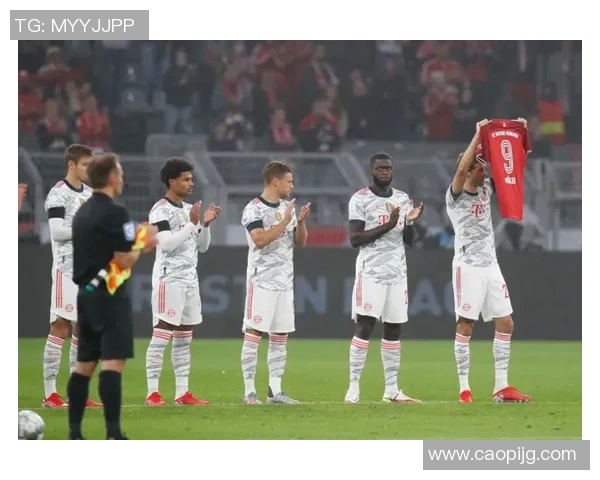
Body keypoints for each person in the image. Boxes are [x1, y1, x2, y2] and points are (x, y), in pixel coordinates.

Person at [67, 153, 158, 440]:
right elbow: (123, 258)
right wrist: (143, 242)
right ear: (112, 177)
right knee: (112, 363)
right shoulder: (116, 213)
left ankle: (75, 433)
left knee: (84, 365)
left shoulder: (82, 213)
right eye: (120, 174)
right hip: (110, 295)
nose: (122, 179)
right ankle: (113, 433)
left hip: (86, 295)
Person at [446, 119, 531, 404]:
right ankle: (464, 388)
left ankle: (501, 387)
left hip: (491, 265)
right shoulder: (455, 196)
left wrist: (518, 139)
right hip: (467, 265)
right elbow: (461, 169)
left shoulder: (487, 189)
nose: (485, 172)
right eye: (480, 168)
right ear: (468, 171)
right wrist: (477, 134)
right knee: (466, 324)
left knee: (506, 322)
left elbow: (511, 172)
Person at [344, 152, 424, 404]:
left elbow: (410, 241)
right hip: (371, 272)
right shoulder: (360, 199)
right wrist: (388, 225)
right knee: (365, 325)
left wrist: (408, 223)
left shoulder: (402, 198)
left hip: (397, 273)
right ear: (371, 171)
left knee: (394, 327)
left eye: (388, 168)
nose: (385, 172)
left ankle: (392, 389)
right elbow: (355, 239)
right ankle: (353, 388)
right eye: (380, 168)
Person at [144, 157, 222, 406]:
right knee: (162, 334)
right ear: (172, 181)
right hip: (169, 279)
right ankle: (153, 393)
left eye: (192, 179)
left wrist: (205, 225)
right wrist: (191, 222)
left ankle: (182, 393)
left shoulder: (190, 208)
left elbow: (203, 247)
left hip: (190, 280)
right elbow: (166, 244)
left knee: (184, 338)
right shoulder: (160, 210)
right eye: (186, 179)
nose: (191, 183)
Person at [240, 161, 311, 404]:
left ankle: (275, 391)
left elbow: (300, 243)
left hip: (285, 281)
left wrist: (300, 222)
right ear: (276, 181)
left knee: (280, 336)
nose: (292, 186)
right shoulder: (254, 209)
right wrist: (283, 222)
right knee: (254, 333)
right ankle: (249, 392)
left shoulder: (286, 208)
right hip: (261, 280)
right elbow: (259, 240)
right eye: (289, 181)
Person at [42, 144, 102, 408]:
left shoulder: (90, 194)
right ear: (71, 165)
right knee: (60, 326)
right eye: (85, 165)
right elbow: (57, 232)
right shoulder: (58, 194)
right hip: (66, 269)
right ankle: (50, 394)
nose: (89, 169)